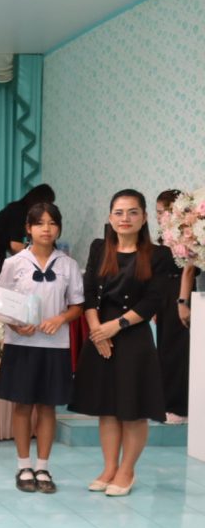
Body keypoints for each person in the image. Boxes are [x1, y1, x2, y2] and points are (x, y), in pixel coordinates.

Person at [70, 189, 170, 496]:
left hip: (133, 336)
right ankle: (109, 467)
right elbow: (88, 293)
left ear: (144, 217)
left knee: (133, 408)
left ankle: (127, 471)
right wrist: (97, 331)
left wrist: (115, 326)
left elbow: (153, 301)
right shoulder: (100, 248)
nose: (125, 218)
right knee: (108, 407)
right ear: (110, 217)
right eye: (119, 212)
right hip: (100, 333)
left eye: (132, 212)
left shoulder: (158, 255)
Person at [0, 203, 83, 493]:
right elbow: (1, 304)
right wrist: (15, 325)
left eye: (52, 223)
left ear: (59, 228)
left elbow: (77, 306)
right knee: (23, 405)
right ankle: (23, 466)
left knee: (48, 406)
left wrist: (60, 319)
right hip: (21, 344)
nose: (46, 229)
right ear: (28, 228)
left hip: (56, 346)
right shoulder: (14, 263)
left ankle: (43, 467)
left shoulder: (68, 265)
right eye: (40, 223)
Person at [154, 189, 197, 422]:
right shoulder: (165, 236)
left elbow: (188, 270)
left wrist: (183, 302)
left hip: (181, 293)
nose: (159, 217)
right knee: (165, 350)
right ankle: (167, 404)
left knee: (178, 352)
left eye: (163, 212)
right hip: (164, 294)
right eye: (157, 212)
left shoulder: (188, 234)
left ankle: (180, 409)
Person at [0, 184, 56, 283]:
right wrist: (38, 254)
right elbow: (15, 246)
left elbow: (13, 246)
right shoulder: (19, 211)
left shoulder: (18, 209)